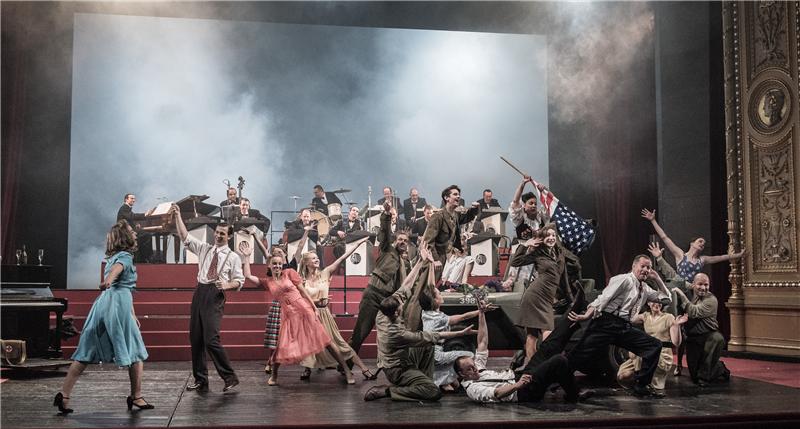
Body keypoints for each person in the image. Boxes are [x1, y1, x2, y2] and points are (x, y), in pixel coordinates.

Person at [54, 220, 153, 414]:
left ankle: (64, 395)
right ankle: (136, 396)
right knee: (136, 351)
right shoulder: (125, 256)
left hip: (104, 304)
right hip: (117, 306)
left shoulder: (113, 257)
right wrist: (108, 280)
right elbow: (117, 272)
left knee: (85, 352)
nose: (135, 233)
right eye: (132, 231)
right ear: (125, 237)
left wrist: (132, 313)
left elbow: (122, 284)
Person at [363, 261, 475, 402]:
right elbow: (433, 335)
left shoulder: (382, 313)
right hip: (397, 369)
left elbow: (406, 285)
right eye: (401, 305)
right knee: (433, 392)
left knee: (427, 346)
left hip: (400, 358)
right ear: (397, 312)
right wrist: (460, 333)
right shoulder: (397, 334)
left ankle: (424, 380)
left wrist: (420, 262)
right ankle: (389, 390)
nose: (403, 303)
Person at [240, 250, 355, 386]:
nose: (277, 266)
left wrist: (314, 308)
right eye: (274, 264)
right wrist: (246, 257)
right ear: (269, 265)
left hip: (303, 310)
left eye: (279, 263)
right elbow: (248, 276)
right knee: (281, 346)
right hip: (288, 315)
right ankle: (274, 375)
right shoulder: (268, 282)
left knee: (326, 341)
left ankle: (347, 370)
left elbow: (303, 291)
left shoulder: (289, 273)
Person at [567, 255, 671, 397]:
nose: (646, 270)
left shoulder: (645, 289)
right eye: (643, 266)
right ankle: (554, 380)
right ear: (634, 266)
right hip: (606, 323)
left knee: (654, 345)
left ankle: (641, 386)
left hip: (622, 327)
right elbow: (603, 298)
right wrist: (587, 315)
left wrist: (657, 278)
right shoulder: (624, 279)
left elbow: (667, 299)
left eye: (649, 267)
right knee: (579, 355)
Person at [454, 301, 589, 404]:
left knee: (547, 347)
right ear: (461, 374)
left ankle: (575, 311)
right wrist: (517, 385)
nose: (475, 369)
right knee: (558, 360)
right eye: (469, 369)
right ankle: (574, 395)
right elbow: (497, 393)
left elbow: (482, 342)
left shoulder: (477, 367)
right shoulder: (473, 389)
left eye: (473, 365)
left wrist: (482, 313)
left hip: (520, 376)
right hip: (524, 392)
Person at [172, 205, 244, 393]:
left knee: (211, 339)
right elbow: (184, 236)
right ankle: (201, 380)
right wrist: (178, 216)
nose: (218, 236)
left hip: (215, 294)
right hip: (200, 291)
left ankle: (230, 377)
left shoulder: (233, 257)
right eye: (217, 232)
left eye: (222, 234)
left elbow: (239, 281)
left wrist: (226, 285)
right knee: (196, 338)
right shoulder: (205, 249)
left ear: (229, 236)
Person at [296, 240, 377, 381]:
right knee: (310, 343)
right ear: (307, 263)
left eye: (317, 258)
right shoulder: (302, 279)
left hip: (324, 314)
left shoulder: (326, 272)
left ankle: (363, 368)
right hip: (309, 314)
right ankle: (307, 368)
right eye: (313, 258)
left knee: (339, 343)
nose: (317, 260)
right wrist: (316, 301)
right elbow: (300, 300)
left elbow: (342, 258)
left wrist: (356, 245)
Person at [510, 224, 575, 368]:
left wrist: (571, 300)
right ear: (542, 239)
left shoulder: (560, 254)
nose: (551, 238)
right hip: (534, 295)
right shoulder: (538, 253)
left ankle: (540, 367)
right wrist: (525, 245)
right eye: (547, 236)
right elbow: (515, 262)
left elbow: (564, 280)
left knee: (537, 334)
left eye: (553, 235)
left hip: (547, 298)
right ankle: (535, 368)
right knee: (537, 334)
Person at [348, 201, 409, 355]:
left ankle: (395, 363)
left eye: (405, 241)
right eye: (400, 239)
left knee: (396, 332)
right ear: (395, 241)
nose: (402, 242)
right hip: (374, 295)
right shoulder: (387, 249)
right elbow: (385, 232)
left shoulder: (404, 262)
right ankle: (345, 363)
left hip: (389, 301)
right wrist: (387, 215)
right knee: (361, 333)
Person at [641, 208, 745, 282]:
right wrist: (653, 220)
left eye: (704, 244)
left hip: (694, 291)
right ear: (692, 243)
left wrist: (738, 255)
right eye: (700, 241)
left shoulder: (702, 260)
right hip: (680, 288)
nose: (702, 244)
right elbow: (665, 237)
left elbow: (721, 257)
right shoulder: (681, 255)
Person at [421, 288, 487, 390]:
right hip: (436, 354)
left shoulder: (425, 313)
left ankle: (446, 381)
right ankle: (471, 379)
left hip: (428, 353)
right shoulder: (438, 318)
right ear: (434, 300)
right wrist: (480, 311)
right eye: (439, 294)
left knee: (454, 372)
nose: (441, 295)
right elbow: (463, 317)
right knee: (469, 355)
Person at [617, 301, 687, 397]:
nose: (657, 304)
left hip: (662, 354)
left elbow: (676, 343)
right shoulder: (645, 316)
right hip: (646, 353)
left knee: (640, 355)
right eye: (654, 301)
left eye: (659, 302)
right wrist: (640, 299)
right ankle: (640, 381)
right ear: (649, 303)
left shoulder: (668, 317)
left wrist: (677, 325)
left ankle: (642, 385)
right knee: (622, 376)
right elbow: (631, 319)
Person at [672, 273, 731, 387]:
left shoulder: (711, 300)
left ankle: (708, 374)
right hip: (693, 338)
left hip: (708, 335)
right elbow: (673, 275)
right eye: (700, 284)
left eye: (706, 285)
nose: (703, 288)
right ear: (693, 285)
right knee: (694, 376)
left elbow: (693, 312)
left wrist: (680, 294)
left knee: (717, 338)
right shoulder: (692, 291)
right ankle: (718, 367)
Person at [419, 185, 479, 279]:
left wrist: (474, 209)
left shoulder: (455, 215)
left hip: (448, 257)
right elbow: (428, 241)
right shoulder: (438, 217)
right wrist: (435, 259)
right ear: (446, 198)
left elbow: (467, 217)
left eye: (459, 195)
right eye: (455, 194)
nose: (458, 196)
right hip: (436, 259)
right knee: (429, 285)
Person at [116, 193, 153, 263]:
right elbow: (132, 216)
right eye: (131, 198)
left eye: (134, 199)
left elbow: (128, 219)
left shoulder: (127, 208)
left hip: (127, 231)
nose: (133, 200)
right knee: (147, 236)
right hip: (124, 234)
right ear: (126, 199)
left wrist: (135, 225)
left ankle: (142, 258)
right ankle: (147, 258)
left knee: (144, 235)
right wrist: (145, 214)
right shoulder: (124, 208)